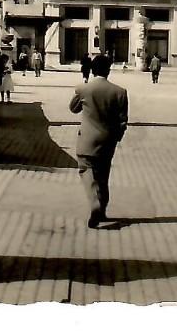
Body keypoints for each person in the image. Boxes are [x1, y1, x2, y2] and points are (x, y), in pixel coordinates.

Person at [69, 53, 129, 228]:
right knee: (103, 176)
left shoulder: (83, 89)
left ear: (92, 70)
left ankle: (94, 202)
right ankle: (102, 211)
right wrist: (116, 137)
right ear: (109, 70)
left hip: (87, 140)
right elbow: (123, 120)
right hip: (108, 141)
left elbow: (73, 109)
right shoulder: (120, 92)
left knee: (86, 170)